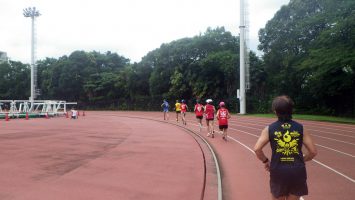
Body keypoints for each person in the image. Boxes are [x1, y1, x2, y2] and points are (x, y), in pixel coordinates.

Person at [253, 95, 317, 200]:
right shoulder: (301, 128)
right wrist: (302, 159)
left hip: (278, 171)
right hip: (297, 171)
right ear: (292, 110)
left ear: (275, 111)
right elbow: (313, 152)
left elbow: (257, 149)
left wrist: (265, 161)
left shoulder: (269, 129)